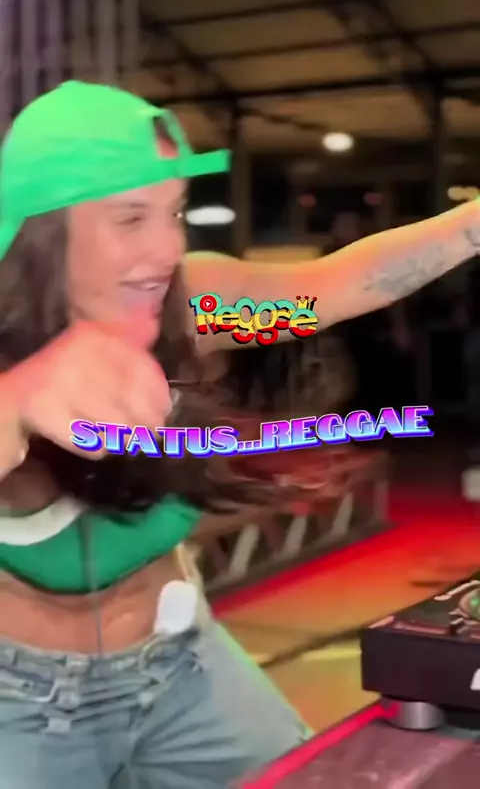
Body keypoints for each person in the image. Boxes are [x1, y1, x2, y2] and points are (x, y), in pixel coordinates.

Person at [0, 82, 478, 789]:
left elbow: (334, 289)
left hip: (183, 665)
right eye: (131, 218)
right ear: (42, 229)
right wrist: (17, 401)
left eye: (175, 212)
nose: (168, 247)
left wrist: (474, 224)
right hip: (24, 703)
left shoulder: (189, 312)